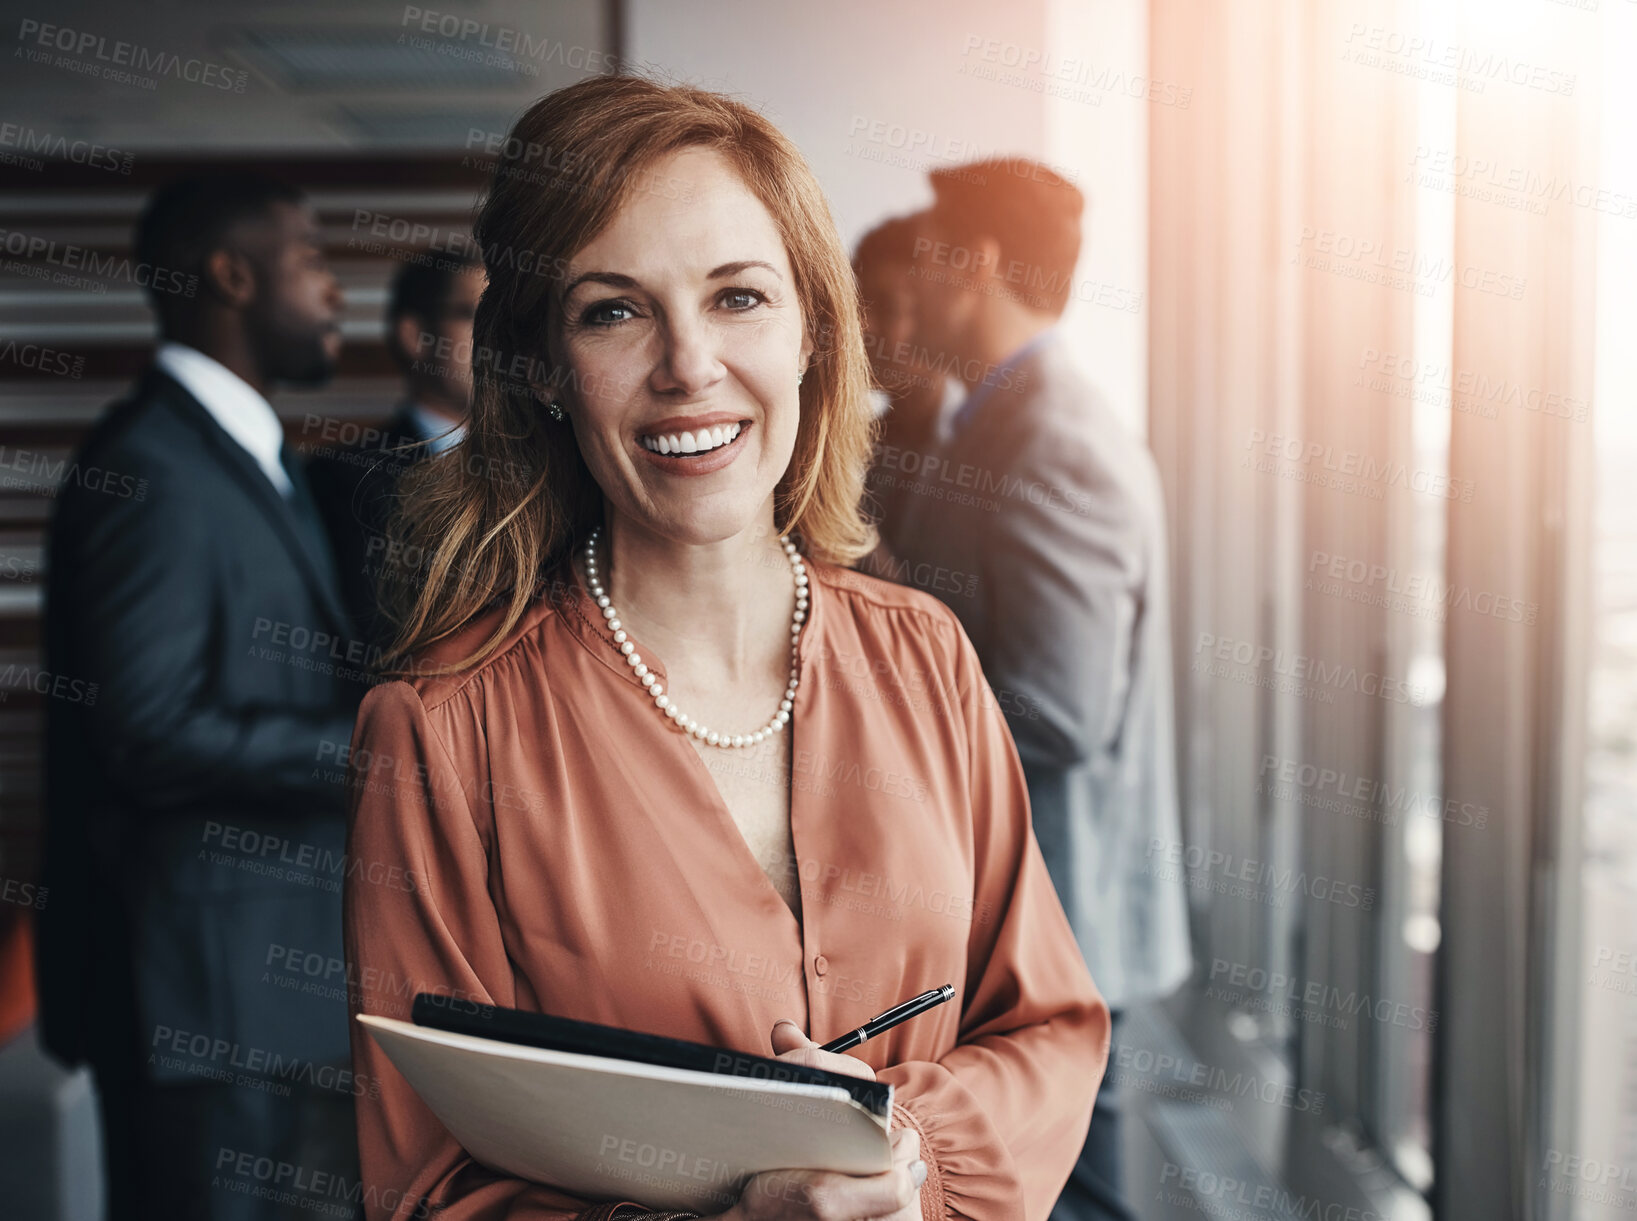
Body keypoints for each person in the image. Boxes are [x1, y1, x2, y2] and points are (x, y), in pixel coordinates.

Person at [344, 75, 1109, 1221]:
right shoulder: (442, 730)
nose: (688, 366)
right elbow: (429, 1191)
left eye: (738, 297)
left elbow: (1045, 1024)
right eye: (614, 310)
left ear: (810, 331)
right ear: (545, 369)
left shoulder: (926, 659)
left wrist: (901, 1152)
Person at [36, 173, 364, 1220]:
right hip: (207, 1011)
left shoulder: (240, 457)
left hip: (265, 1004)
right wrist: (372, 742)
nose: (334, 292)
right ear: (232, 274)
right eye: (312, 261)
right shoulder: (152, 469)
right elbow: (149, 729)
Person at [880, 158, 1193, 1221]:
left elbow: (1058, 711)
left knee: (1073, 1200)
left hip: (1060, 921)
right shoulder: (993, 422)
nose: (907, 292)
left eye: (923, 262)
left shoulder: (1054, 440)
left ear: (970, 263)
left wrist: (876, 708)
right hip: (1021, 909)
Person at [308, 249, 486, 652]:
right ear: (416, 337)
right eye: (476, 316)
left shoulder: (555, 468)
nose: (500, 340)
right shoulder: (342, 481)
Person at [851, 215, 946, 530]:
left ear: (940, 316)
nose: (862, 326)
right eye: (858, 305)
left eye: (889, 308)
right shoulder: (869, 444)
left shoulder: (986, 455)